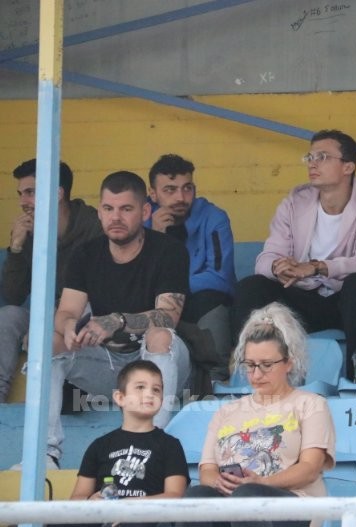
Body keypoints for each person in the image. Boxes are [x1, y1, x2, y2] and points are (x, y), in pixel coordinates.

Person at [14, 171, 192, 470]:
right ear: (99, 212)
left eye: (126, 209)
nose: (115, 217)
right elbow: (67, 312)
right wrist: (69, 328)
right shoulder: (86, 253)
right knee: (47, 341)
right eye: (108, 208)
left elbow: (168, 316)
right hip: (108, 365)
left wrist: (116, 321)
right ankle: (44, 454)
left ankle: (154, 446)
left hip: (161, 363)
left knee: (159, 335)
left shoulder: (168, 250)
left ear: (145, 212)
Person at [231, 129, 356, 380]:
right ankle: (245, 376)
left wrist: (318, 267)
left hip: (349, 302)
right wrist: (278, 267)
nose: (312, 163)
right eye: (310, 157)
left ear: (348, 166)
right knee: (251, 287)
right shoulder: (294, 203)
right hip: (304, 300)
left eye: (323, 157)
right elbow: (265, 258)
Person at [172, 302, 335, 527]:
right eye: (250, 365)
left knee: (247, 495)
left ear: (289, 363)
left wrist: (262, 482)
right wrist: (220, 482)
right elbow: (207, 469)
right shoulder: (226, 411)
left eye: (267, 365)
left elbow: (309, 468)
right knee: (196, 496)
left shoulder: (311, 404)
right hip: (234, 502)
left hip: (293, 503)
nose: (256, 375)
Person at [0, 159, 102, 403]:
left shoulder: (93, 226)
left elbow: (96, 292)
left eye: (31, 192)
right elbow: (13, 296)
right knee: (8, 316)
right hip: (46, 314)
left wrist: (46, 324)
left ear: (58, 194)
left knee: (77, 315)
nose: (23, 202)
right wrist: (16, 248)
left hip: (84, 312)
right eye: (21, 194)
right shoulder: (28, 231)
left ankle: (69, 393)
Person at [48, 360, 189, 527]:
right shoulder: (100, 445)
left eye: (156, 390)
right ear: (120, 397)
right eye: (140, 387)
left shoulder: (170, 445)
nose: (150, 394)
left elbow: (174, 497)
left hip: (144, 519)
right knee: (55, 525)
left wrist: (130, 506)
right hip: (101, 518)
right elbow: (78, 497)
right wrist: (90, 501)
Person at [146, 154, 236, 382]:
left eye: (187, 188)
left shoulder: (213, 217)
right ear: (153, 194)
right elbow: (139, 278)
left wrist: (174, 291)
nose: (180, 197)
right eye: (170, 190)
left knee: (212, 299)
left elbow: (220, 278)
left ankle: (216, 377)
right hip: (156, 302)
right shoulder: (143, 221)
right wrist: (155, 237)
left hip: (198, 299)